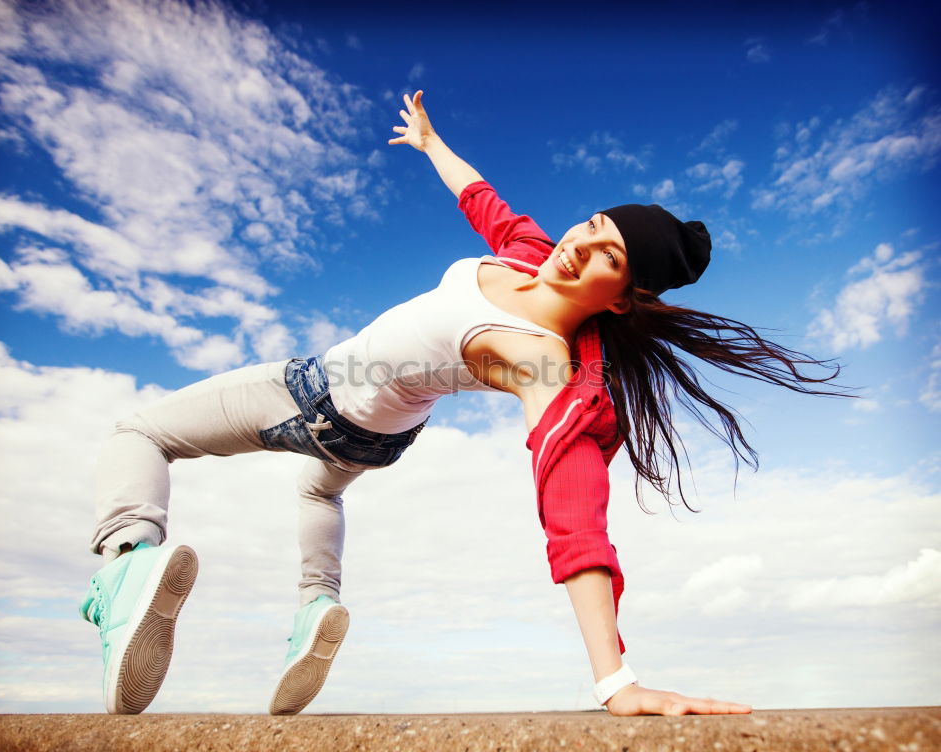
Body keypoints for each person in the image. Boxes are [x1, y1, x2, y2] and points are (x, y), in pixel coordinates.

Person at [79, 90, 846, 717]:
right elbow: (486, 203)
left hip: (316, 395)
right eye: (595, 224)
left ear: (623, 299)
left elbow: (574, 514)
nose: (581, 245)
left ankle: (124, 569)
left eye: (608, 256)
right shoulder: (529, 252)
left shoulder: (541, 362)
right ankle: (316, 604)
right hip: (379, 436)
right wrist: (429, 140)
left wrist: (616, 681)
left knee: (139, 432)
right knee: (316, 486)